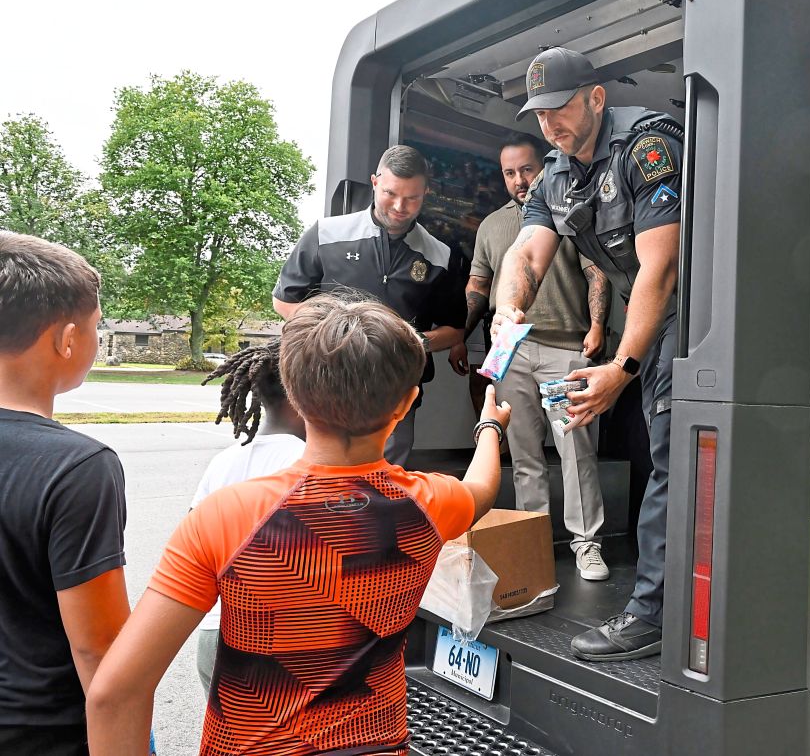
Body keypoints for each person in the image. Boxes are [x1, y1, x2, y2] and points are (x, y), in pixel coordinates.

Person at [86, 294, 511, 756]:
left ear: (292, 390)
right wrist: (489, 425)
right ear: (407, 403)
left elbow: (115, 694)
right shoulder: (433, 501)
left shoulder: (226, 516)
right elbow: (483, 489)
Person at [492, 48, 682, 661]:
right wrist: (510, 309)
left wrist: (621, 370)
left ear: (596, 97)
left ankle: (650, 613)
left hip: (698, 308)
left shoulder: (647, 144)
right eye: (538, 114)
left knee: (674, 457)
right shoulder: (553, 176)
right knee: (664, 455)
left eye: (559, 108)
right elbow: (526, 254)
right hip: (654, 314)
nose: (548, 124)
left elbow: (662, 266)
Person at [0, 232, 130, 755]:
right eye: (98, 327)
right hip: (45, 735)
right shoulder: (78, 467)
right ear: (68, 339)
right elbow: (100, 650)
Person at [466, 133, 612, 581]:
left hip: (565, 345)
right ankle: (532, 542)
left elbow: (597, 274)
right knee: (524, 455)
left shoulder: (569, 213)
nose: (519, 179)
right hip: (510, 347)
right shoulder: (490, 225)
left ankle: (586, 544)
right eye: (509, 172)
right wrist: (461, 337)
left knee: (576, 451)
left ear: (546, 166)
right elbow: (478, 286)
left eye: (527, 169)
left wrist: (599, 327)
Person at [272, 145, 468, 467]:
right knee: (323, 471)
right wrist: (333, 335)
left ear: (426, 193)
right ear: (375, 182)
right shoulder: (326, 233)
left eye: (413, 198)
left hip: (398, 386)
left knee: (386, 480)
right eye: (391, 193)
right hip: (327, 377)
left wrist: (411, 342)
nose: (400, 207)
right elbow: (284, 301)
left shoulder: (441, 256)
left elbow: (454, 330)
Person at [190, 340, 307, 696]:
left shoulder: (225, 460)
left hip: (213, 635)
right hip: (267, 638)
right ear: (307, 393)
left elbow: (195, 545)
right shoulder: (304, 463)